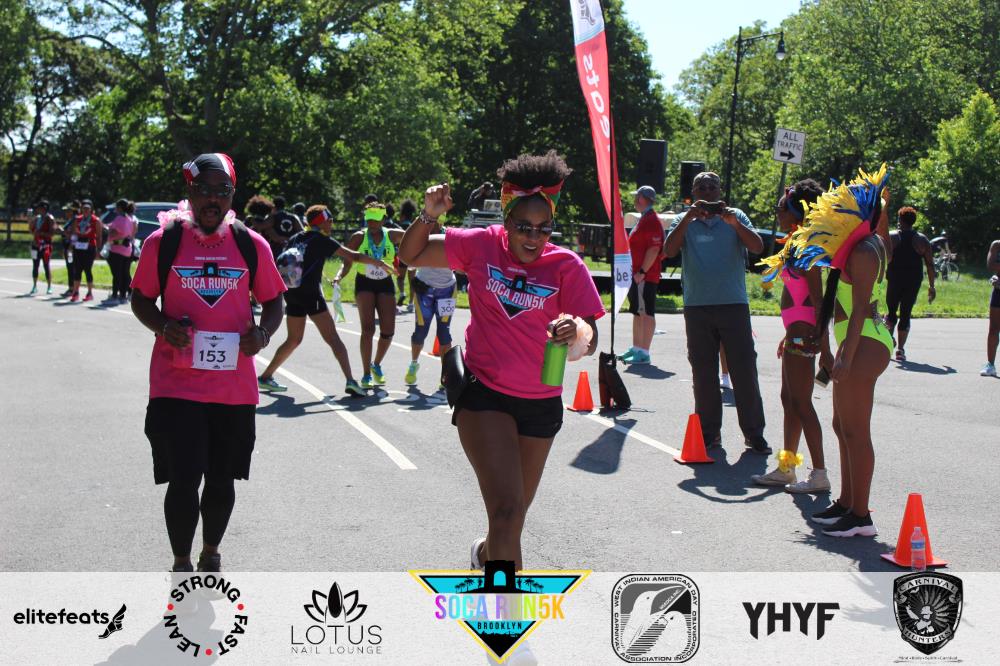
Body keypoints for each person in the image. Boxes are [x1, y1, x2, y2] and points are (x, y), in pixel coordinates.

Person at [399, 151, 602, 575]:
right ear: (506, 222)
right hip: (483, 394)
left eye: (544, 228)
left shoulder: (567, 266)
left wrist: (576, 331)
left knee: (511, 519)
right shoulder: (481, 245)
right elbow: (412, 254)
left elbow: (592, 338)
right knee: (507, 512)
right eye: (524, 226)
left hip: (541, 404)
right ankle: (506, 612)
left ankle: (485, 556)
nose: (533, 237)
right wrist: (429, 215)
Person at [130, 153, 285, 572]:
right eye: (204, 190)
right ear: (190, 193)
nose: (213, 199)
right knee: (183, 478)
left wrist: (262, 334)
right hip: (176, 384)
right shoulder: (163, 243)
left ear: (232, 195)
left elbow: (274, 301)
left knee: (221, 477)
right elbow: (140, 299)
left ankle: (211, 552)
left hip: (233, 389)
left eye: (223, 191)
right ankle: (181, 561)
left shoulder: (251, 245)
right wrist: (163, 327)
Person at [791, 165, 893, 537]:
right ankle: (847, 503)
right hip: (857, 341)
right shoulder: (862, 245)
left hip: (864, 343)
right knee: (842, 426)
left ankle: (860, 516)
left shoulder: (865, 250)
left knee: (855, 431)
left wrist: (846, 356)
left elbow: (861, 307)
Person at [663, 171, 770, 453]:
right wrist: (688, 218)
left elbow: (757, 247)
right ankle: (709, 434)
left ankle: (754, 434)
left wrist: (734, 223)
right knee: (703, 373)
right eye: (702, 187)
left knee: (744, 370)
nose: (708, 192)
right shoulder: (684, 219)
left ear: (720, 191)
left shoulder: (735, 216)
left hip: (733, 304)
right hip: (697, 306)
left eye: (713, 187)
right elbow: (669, 251)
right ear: (694, 193)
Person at [257, 205, 393, 396]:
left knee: (293, 339)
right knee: (334, 339)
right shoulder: (322, 239)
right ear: (321, 222)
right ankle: (351, 381)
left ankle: (265, 377)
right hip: (311, 295)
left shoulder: (297, 238)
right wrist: (378, 262)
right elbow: (353, 256)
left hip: (292, 293)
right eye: (329, 220)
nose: (332, 223)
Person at [754, 179, 830, 492]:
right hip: (795, 335)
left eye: (782, 207)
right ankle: (787, 468)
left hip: (805, 337)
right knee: (789, 400)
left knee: (802, 403)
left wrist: (826, 348)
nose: (777, 211)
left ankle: (820, 474)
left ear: (797, 211)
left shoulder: (807, 246)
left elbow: (819, 300)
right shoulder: (795, 243)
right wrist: (788, 334)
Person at [336, 203, 403, 389]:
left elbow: (414, 239)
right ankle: (366, 374)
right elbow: (347, 262)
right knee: (368, 329)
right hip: (364, 282)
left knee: (388, 330)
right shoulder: (359, 236)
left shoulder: (393, 235)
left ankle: (376, 364)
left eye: (376, 219)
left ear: (383, 219)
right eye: (369, 219)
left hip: (385, 283)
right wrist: (339, 276)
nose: (372, 223)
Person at [404, 211, 457, 387]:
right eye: (430, 221)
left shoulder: (451, 237)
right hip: (424, 290)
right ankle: (413, 364)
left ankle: (445, 375)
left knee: (444, 333)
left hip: (447, 291)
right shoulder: (420, 236)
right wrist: (414, 281)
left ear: (441, 222)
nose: (432, 225)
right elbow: (409, 262)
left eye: (435, 222)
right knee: (420, 331)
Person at [885, 207, 936, 361]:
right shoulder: (922, 240)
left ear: (900, 220)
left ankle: (888, 342)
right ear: (913, 221)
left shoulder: (892, 237)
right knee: (905, 313)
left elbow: (882, 257)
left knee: (891, 312)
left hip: (894, 279)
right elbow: (930, 265)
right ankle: (900, 350)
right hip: (913, 281)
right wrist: (932, 286)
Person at [620, 185, 663, 365]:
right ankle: (637, 348)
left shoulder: (651, 220)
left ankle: (644, 352)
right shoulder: (644, 219)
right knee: (638, 312)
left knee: (645, 313)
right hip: (637, 275)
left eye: (637, 197)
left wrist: (642, 272)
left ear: (643, 199)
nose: (634, 201)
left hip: (645, 276)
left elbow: (654, 249)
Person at [68, 199, 101, 302]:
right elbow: (74, 233)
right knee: (77, 270)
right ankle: (75, 292)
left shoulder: (95, 220)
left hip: (89, 247)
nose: (85, 210)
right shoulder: (77, 219)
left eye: (87, 209)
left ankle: (89, 293)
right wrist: (71, 245)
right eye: (84, 208)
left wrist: (98, 251)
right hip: (78, 247)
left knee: (87, 269)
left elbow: (99, 236)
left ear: (91, 209)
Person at [105, 198, 137, 304]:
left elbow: (114, 232)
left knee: (116, 274)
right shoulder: (130, 219)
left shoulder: (119, 218)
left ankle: (115, 295)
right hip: (127, 249)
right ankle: (123, 295)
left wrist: (109, 232)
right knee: (124, 273)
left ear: (119, 208)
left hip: (117, 249)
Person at [29, 200, 55, 295]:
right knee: (35, 265)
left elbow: (52, 233)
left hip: (45, 245)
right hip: (35, 244)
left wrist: (41, 233)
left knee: (46, 265)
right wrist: (30, 222)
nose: (38, 209)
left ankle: (49, 286)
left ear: (44, 208)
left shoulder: (50, 218)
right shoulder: (37, 218)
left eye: (40, 208)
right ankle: (34, 286)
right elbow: (31, 231)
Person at [395, 199, 417, 311]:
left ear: (403, 215)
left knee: (400, 278)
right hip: (413, 256)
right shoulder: (414, 226)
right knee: (412, 280)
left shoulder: (398, 228)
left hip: (402, 255)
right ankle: (411, 303)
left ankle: (402, 292)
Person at [983, 240, 1000, 377]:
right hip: (998, 291)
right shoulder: (996, 245)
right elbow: (991, 265)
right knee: (993, 329)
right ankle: (990, 365)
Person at [58, 201, 79, 297]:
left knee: (71, 267)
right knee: (69, 267)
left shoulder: (75, 220)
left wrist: (62, 231)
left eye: (68, 211)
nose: (66, 213)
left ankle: (72, 289)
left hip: (72, 247)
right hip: (67, 246)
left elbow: (73, 235)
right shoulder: (70, 220)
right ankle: (71, 288)